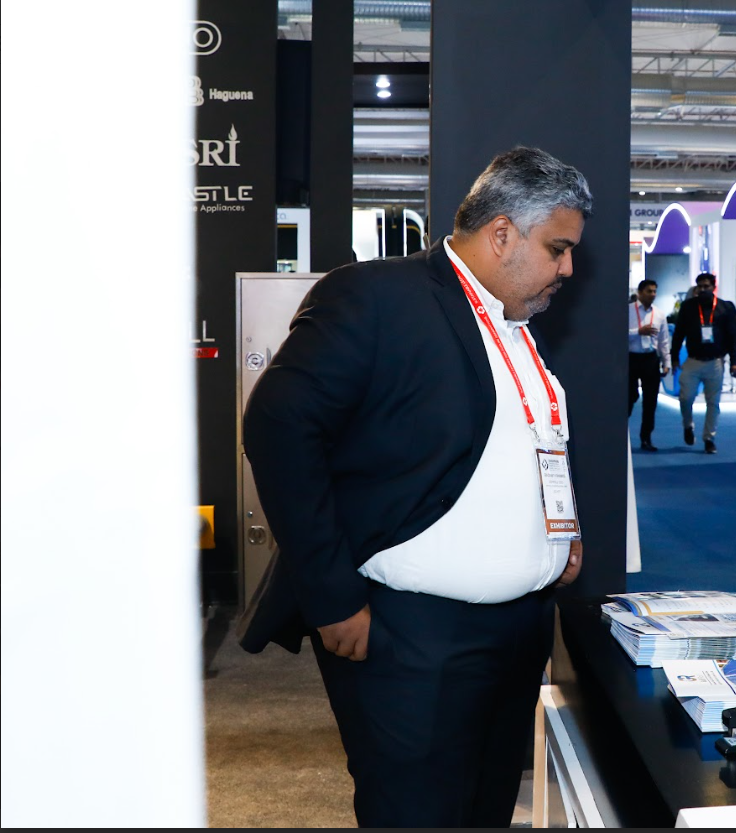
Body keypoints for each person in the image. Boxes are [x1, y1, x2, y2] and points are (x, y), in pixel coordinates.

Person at [238, 147, 591, 827]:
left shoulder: (518, 327)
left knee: (484, 808)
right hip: (412, 636)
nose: (568, 268)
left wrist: (560, 526)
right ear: (501, 235)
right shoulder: (377, 295)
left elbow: (524, 441)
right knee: (416, 812)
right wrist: (331, 592)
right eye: (558, 248)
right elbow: (279, 426)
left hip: (515, 629)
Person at [671, 271, 736, 454]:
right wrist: (674, 357)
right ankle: (688, 425)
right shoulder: (688, 307)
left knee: (713, 403)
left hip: (715, 362)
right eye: (699, 287)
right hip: (692, 361)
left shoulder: (725, 308)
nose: (702, 290)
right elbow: (678, 334)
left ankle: (709, 438)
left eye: (706, 286)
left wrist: (734, 362)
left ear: (713, 287)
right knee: (685, 398)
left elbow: (732, 337)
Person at [628, 278, 671, 451]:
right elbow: (616, 333)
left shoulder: (659, 314)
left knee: (651, 401)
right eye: (649, 291)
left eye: (654, 291)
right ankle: (621, 434)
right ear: (640, 293)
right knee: (629, 398)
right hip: (631, 358)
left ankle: (646, 438)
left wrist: (666, 362)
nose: (652, 294)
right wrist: (637, 332)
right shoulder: (627, 311)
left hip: (651, 360)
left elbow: (664, 341)